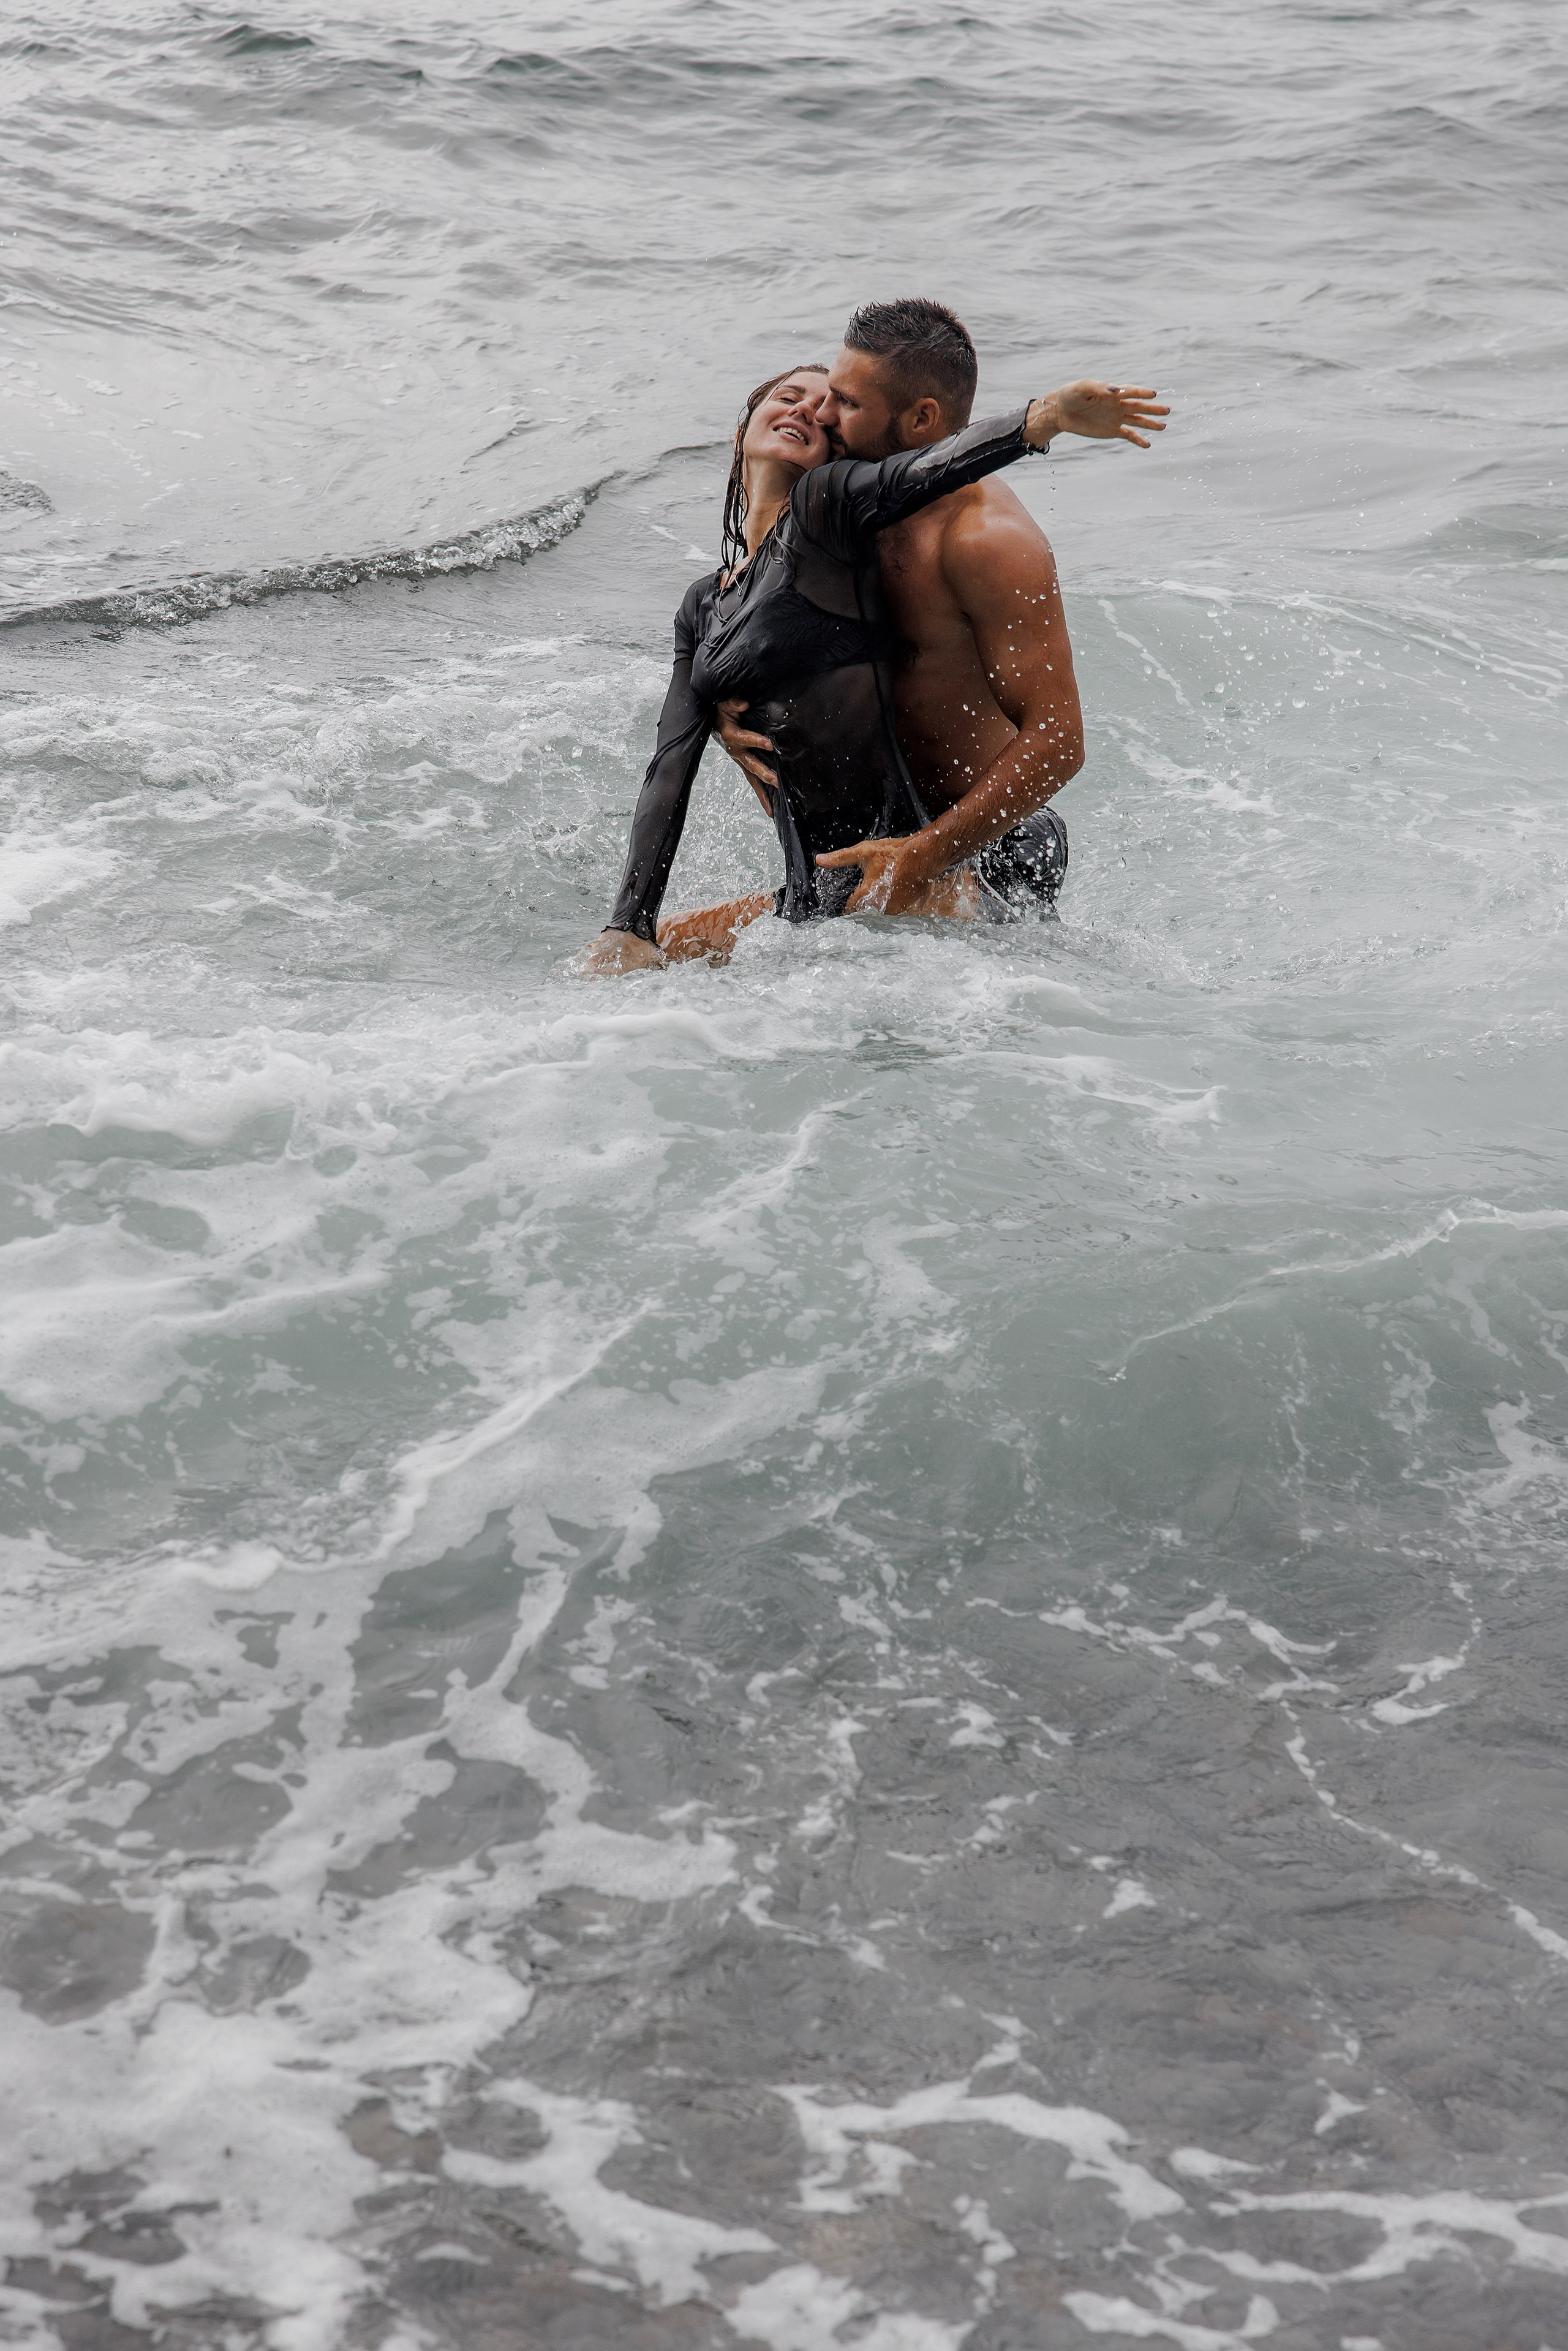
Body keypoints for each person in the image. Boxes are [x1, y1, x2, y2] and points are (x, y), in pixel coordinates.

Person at [583, 326, 1166, 976]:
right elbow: (669, 763)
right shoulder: (706, 605)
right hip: (834, 882)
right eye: (788, 396)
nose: (812, 410)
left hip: (967, 853)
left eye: (831, 410)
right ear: (746, 419)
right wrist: (626, 924)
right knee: (648, 954)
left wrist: (1043, 419)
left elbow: (923, 469)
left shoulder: (834, 514)